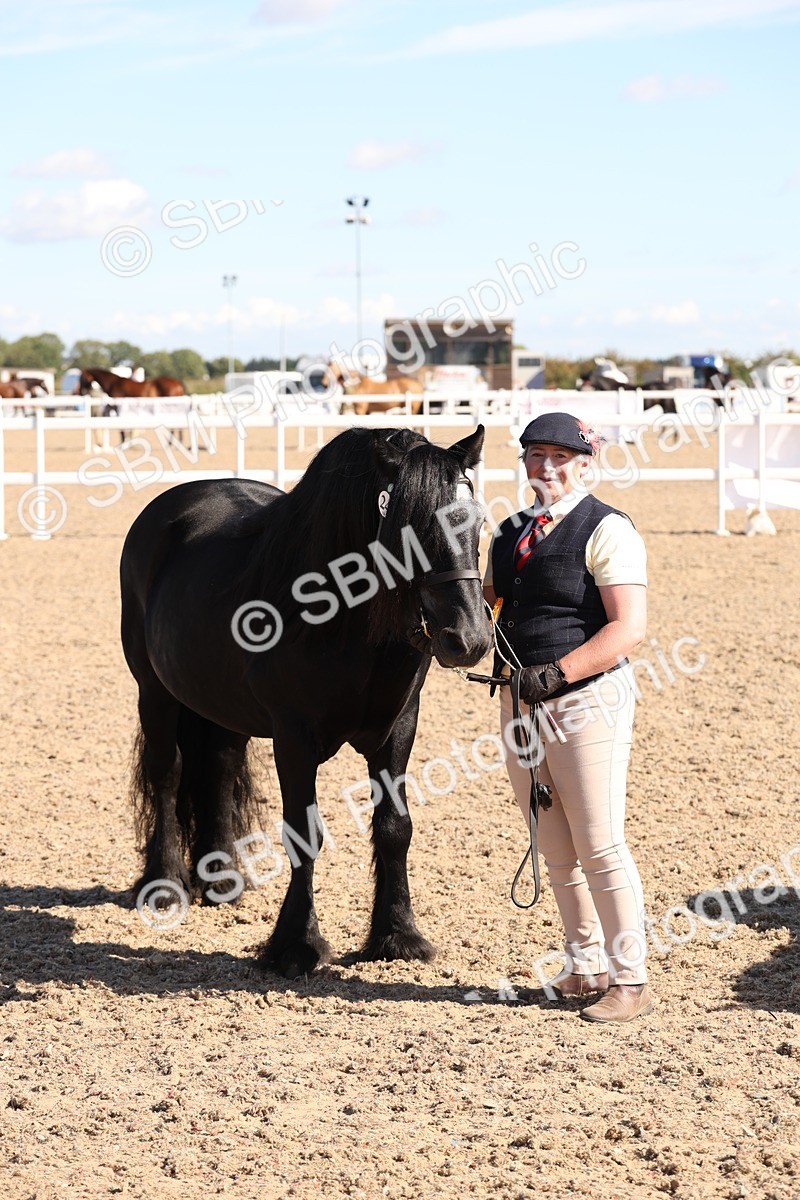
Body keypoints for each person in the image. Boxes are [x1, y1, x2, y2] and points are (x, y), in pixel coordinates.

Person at [483, 412, 652, 1023]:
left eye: (560, 456)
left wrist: (557, 675)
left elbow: (628, 628)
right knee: (552, 844)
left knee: (600, 842)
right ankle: (584, 967)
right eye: (535, 455)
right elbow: (489, 610)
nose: (546, 467)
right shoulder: (507, 534)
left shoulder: (606, 528)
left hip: (587, 701)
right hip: (517, 701)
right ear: (524, 463)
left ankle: (630, 978)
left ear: (585, 463)